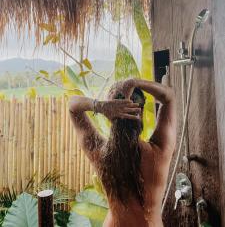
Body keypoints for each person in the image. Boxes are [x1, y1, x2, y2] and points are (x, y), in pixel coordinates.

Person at [69, 78, 177, 227]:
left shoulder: (100, 153)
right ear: (141, 111)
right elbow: (169, 97)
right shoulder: (160, 151)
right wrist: (134, 82)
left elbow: (73, 106)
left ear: (109, 115)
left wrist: (99, 106)